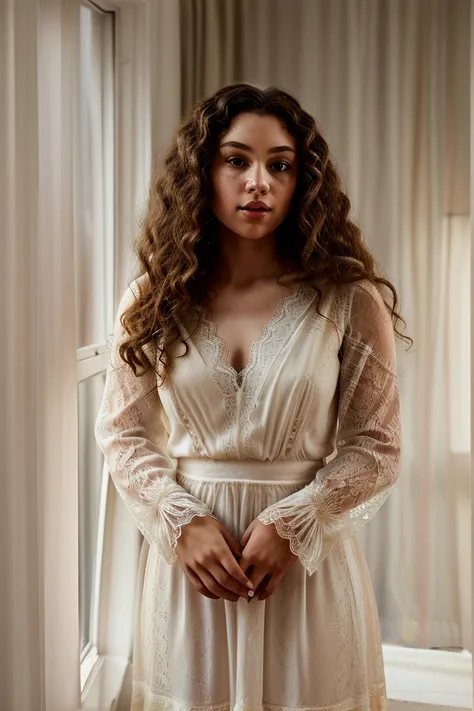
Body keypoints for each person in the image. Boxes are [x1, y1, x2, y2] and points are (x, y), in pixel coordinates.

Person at [95, 82, 411, 711]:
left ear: (303, 181)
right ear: (202, 172)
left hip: (306, 571)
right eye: (236, 160)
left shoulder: (349, 299)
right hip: (194, 570)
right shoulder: (153, 299)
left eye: (280, 165)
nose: (258, 182)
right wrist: (179, 520)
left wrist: (298, 520)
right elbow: (122, 432)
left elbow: (377, 446)